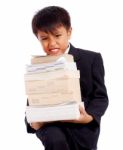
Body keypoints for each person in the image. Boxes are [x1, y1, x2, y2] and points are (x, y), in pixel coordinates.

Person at [25, 6, 109, 150]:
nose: (52, 43)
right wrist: (32, 122)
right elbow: (33, 100)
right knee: (55, 139)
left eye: (57, 36)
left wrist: (89, 117)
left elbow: (100, 97)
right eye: (44, 38)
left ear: (69, 32)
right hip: (50, 126)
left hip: (82, 127)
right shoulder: (39, 65)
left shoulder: (91, 59)